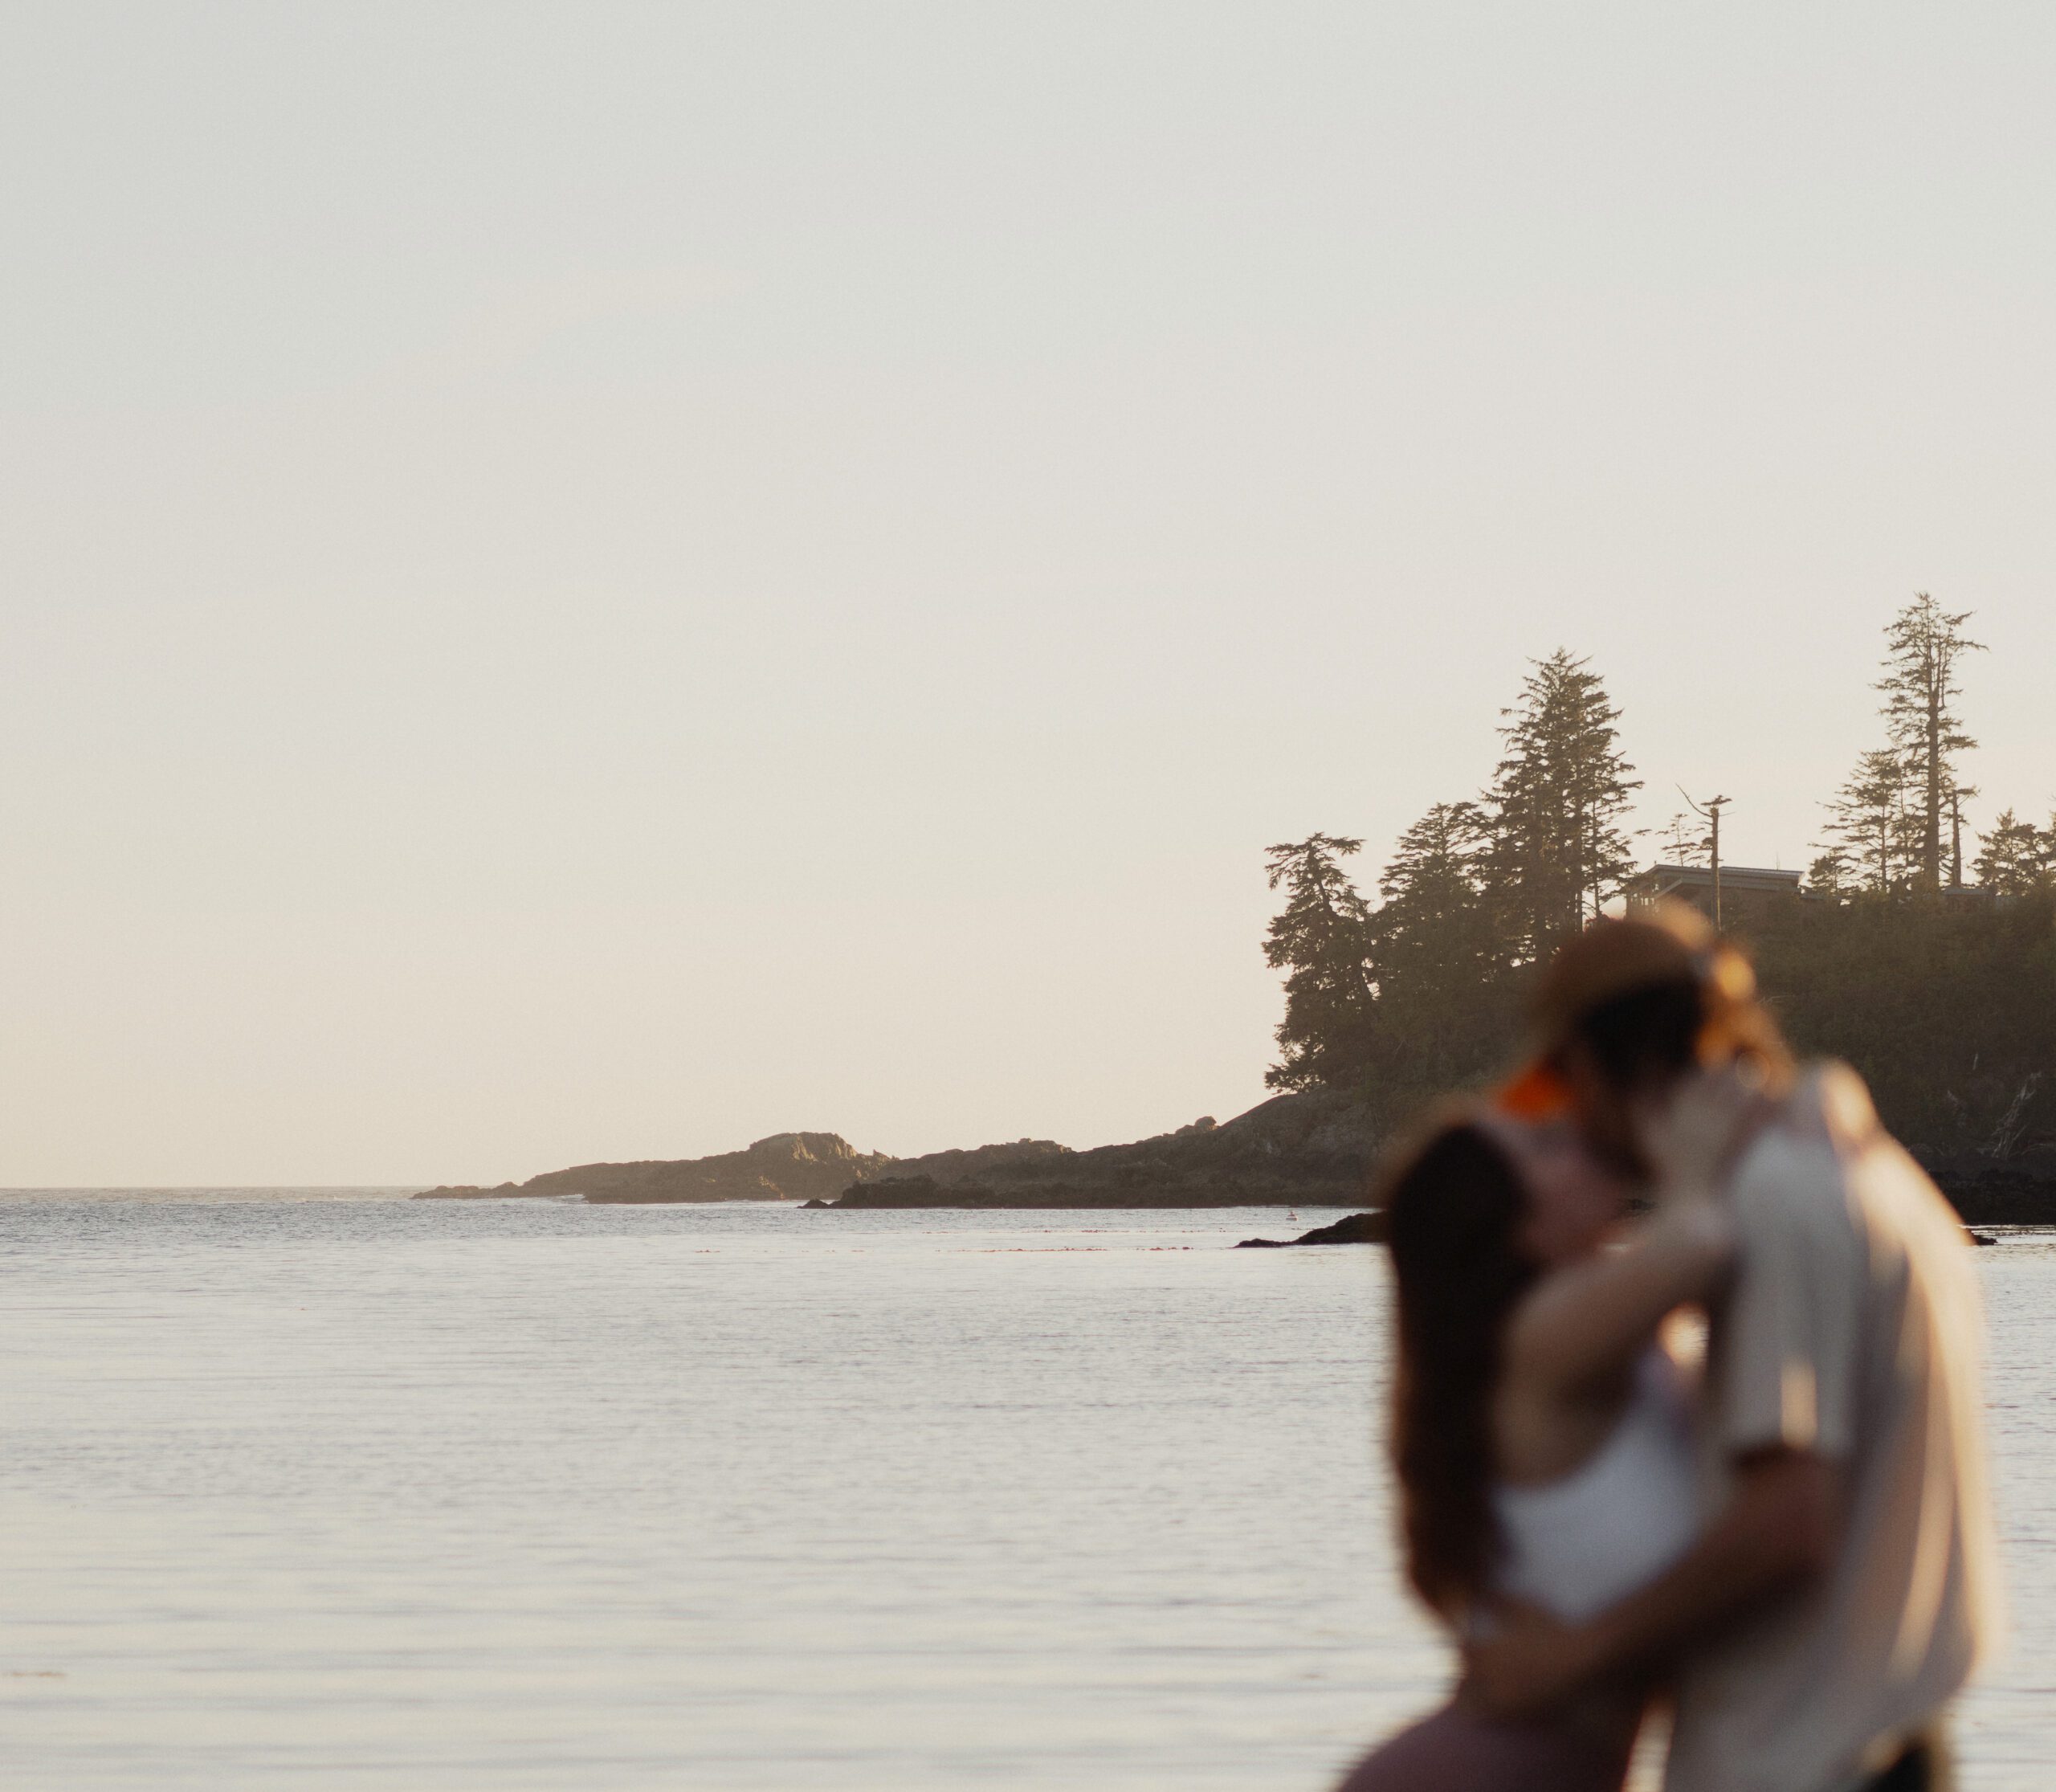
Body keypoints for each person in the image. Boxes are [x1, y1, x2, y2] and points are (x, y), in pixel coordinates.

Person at [1466, 903, 2004, 1792]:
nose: (1575, 1128)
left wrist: (1567, 1656)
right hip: (1889, 1738)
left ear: (1610, 1066)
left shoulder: (1771, 1207)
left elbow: (1788, 1520)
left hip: (1804, 1757)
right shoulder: (1879, 1177)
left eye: (1569, 1091)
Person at [1332, 1093, 1740, 1791]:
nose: (1577, 1136)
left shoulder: (1607, 1341)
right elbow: (1706, 1233)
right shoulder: (1542, 1335)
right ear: (1513, 1226)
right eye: (1546, 1147)